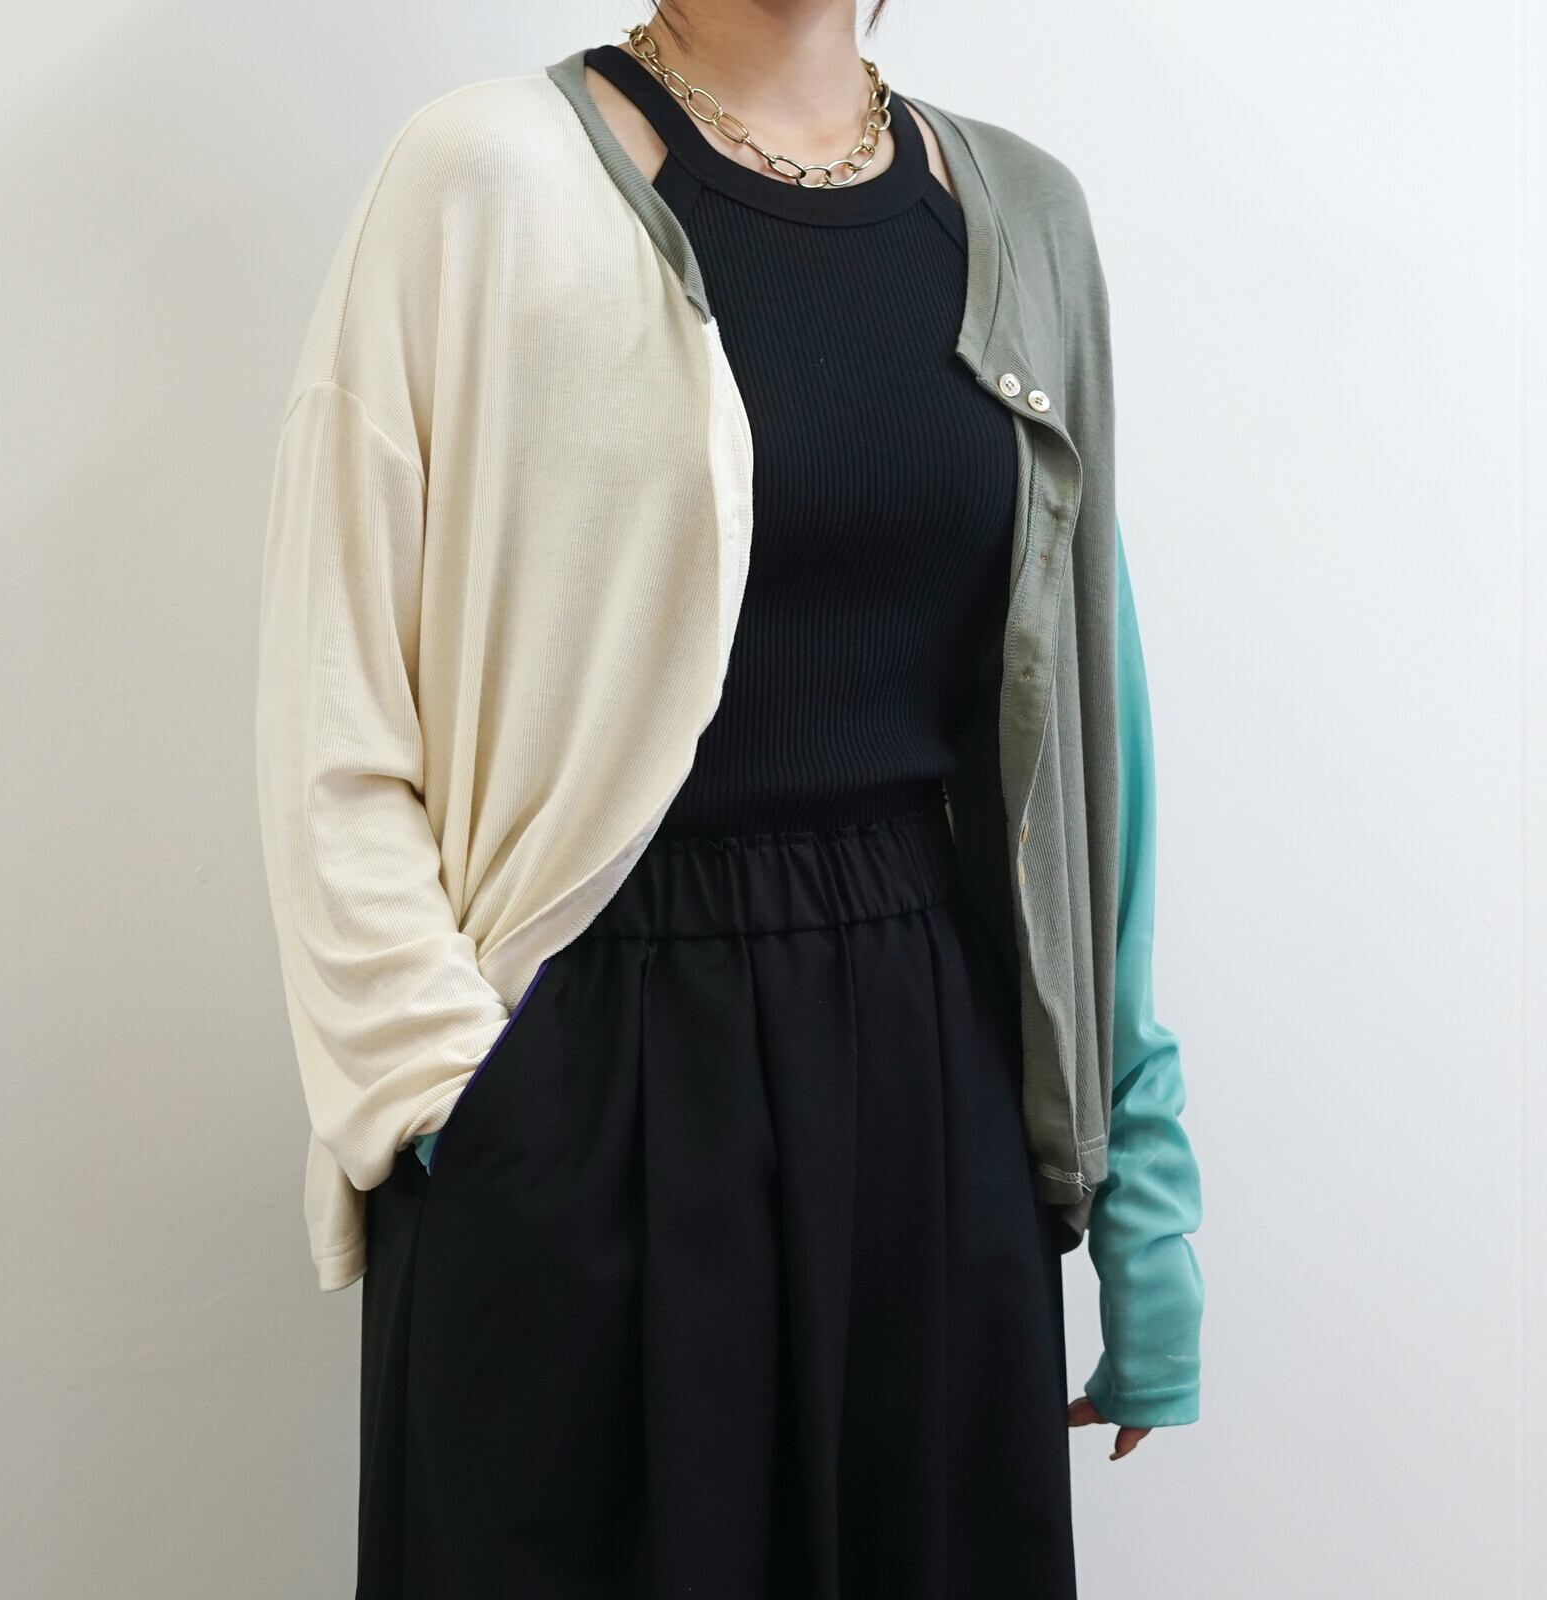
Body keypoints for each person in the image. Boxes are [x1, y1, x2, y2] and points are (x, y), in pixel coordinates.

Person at [253, 4, 1205, 1595]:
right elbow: (332, 701)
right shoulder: (482, 177)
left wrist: (1144, 1206)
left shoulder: (1023, 215)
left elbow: (1090, 746)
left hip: (929, 1089)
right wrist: (448, 1108)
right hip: (589, 1069)